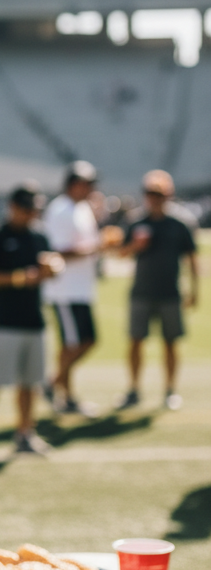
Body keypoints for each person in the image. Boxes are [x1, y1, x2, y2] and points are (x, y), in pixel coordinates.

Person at [0, 183, 61, 455]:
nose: (32, 214)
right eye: (28, 209)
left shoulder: (40, 236)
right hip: (5, 320)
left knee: (30, 382)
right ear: (14, 208)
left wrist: (52, 270)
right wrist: (20, 278)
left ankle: (25, 433)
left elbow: (51, 265)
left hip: (35, 319)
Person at [41, 160, 119, 415]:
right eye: (88, 184)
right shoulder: (60, 210)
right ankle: (57, 388)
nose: (92, 189)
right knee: (75, 344)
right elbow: (58, 251)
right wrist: (97, 247)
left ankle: (62, 391)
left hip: (80, 288)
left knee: (83, 341)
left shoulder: (82, 207)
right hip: (65, 289)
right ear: (74, 185)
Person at [117, 170, 199, 411]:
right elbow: (121, 253)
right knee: (135, 341)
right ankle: (133, 389)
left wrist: (194, 290)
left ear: (169, 194)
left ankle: (170, 390)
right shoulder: (136, 221)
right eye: (150, 193)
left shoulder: (180, 223)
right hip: (141, 291)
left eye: (158, 193)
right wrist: (135, 246)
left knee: (170, 343)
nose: (153, 198)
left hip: (169, 292)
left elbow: (191, 258)